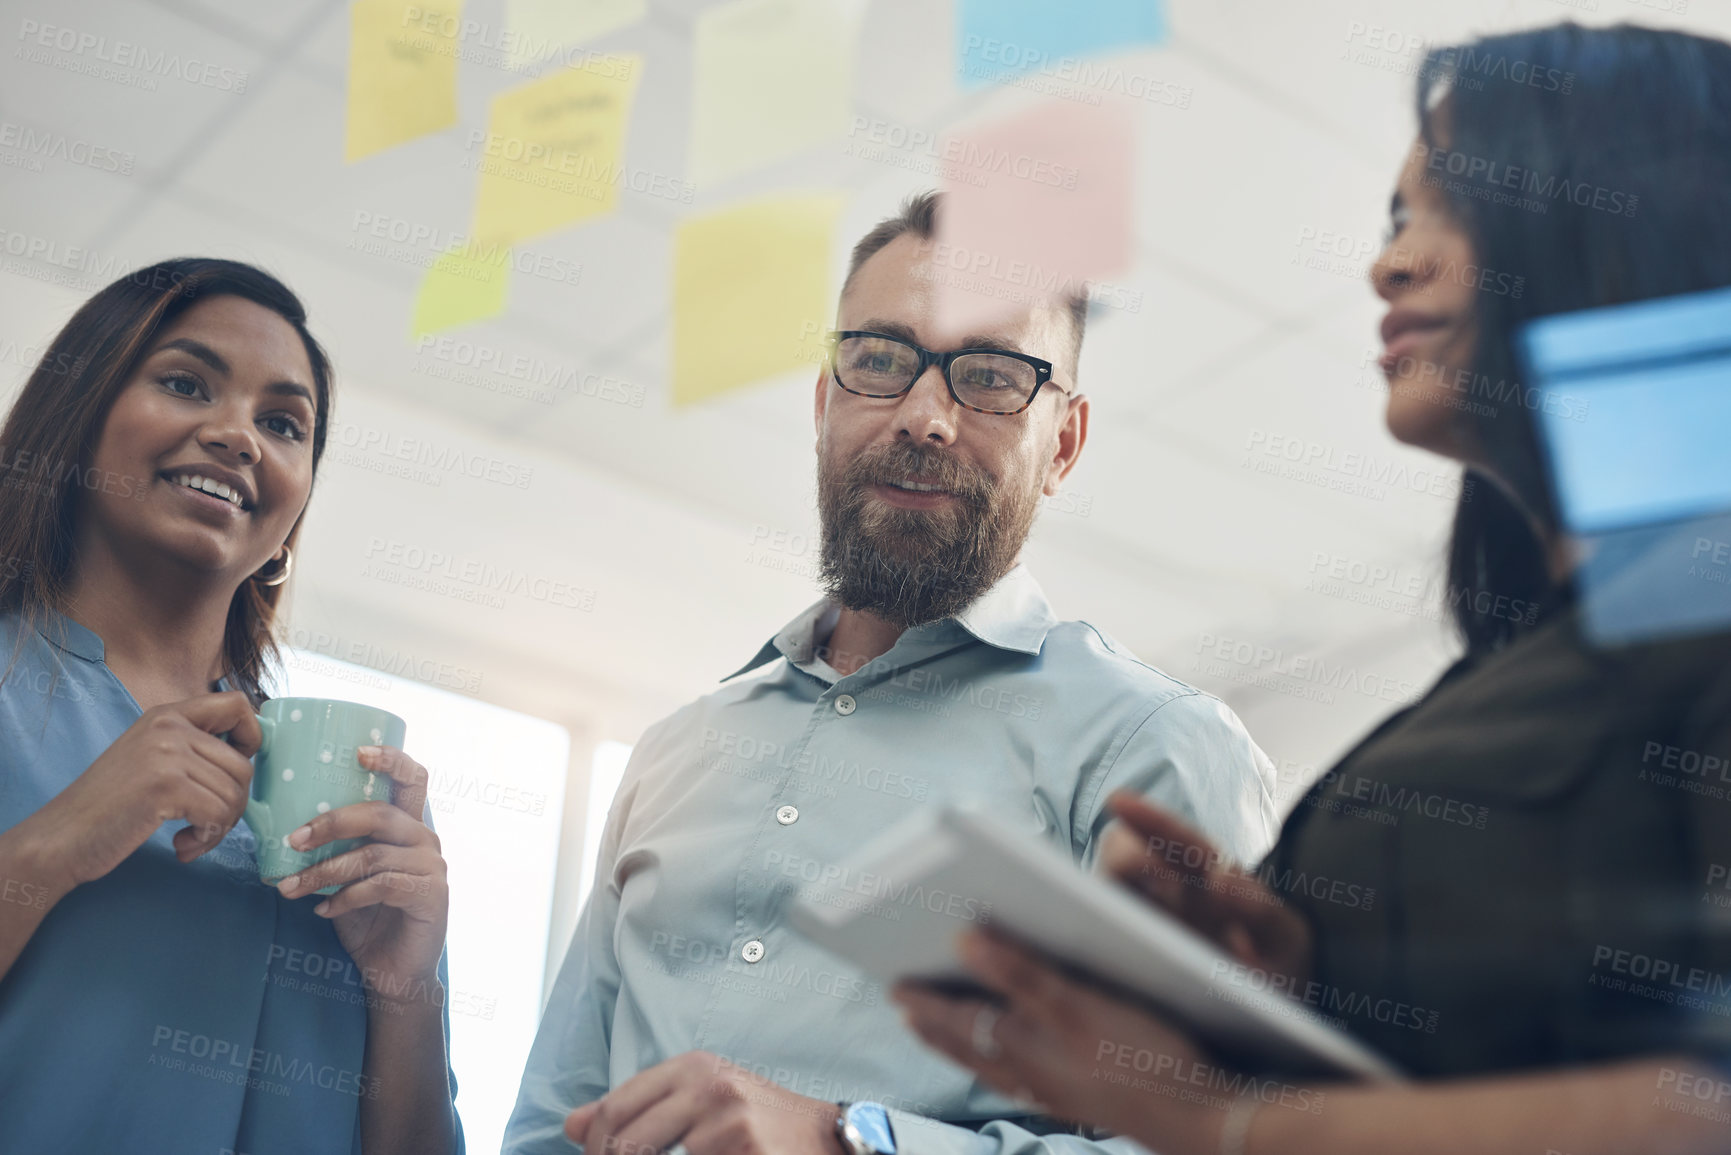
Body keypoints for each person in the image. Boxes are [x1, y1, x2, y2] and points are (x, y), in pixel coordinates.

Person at [894, 22, 1731, 1155]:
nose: (1389, 263)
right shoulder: (1498, 686)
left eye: (1455, 205)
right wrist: (1281, 985)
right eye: (1396, 221)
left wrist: (1224, 1120)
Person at [504, 192, 1280, 1154]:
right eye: (879, 360)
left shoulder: (1154, 748)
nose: (925, 417)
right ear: (827, 401)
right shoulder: (676, 751)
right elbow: (548, 1126)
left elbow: (1216, 1143)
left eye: (990, 377)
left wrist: (849, 1141)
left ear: (1063, 446)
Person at [0, 259, 464, 1154]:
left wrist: (405, 992)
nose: (238, 436)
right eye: (185, 382)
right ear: (80, 414)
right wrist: (56, 845)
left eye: (283, 423)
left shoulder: (357, 802)